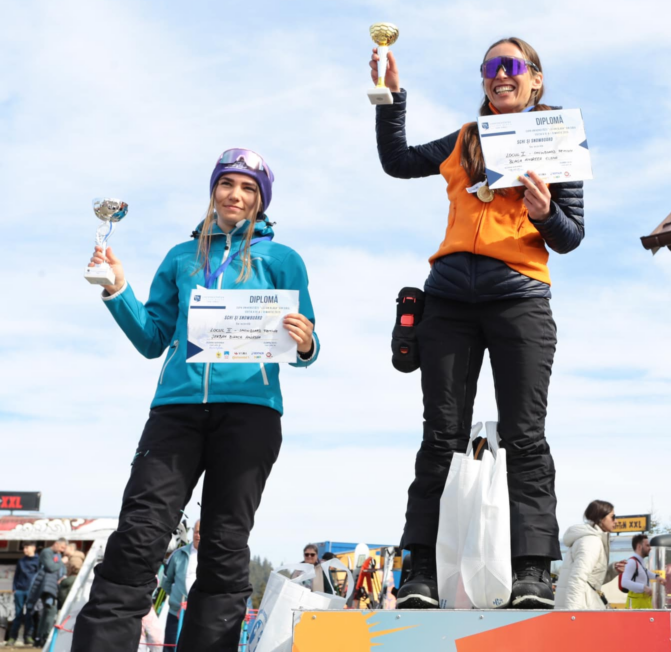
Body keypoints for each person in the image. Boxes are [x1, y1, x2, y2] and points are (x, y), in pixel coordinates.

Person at [72, 148, 321, 652]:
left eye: (249, 188)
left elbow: (305, 347)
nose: (236, 195)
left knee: (225, 547)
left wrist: (305, 342)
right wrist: (118, 291)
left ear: (261, 200)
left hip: (250, 414)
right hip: (176, 412)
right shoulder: (181, 258)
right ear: (213, 190)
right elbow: (152, 339)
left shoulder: (283, 260)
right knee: (139, 536)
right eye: (227, 183)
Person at [372, 36, 584, 611]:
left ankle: (532, 572)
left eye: (512, 64)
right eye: (490, 65)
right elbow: (398, 162)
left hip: (520, 300)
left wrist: (546, 213)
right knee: (440, 437)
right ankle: (420, 571)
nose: (500, 73)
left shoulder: (557, 139)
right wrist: (391, 100)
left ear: (536, 79)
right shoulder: (467, 137)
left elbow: (571, 236)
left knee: (525, 436)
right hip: (447, 302)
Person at [553, 500, 615, 610]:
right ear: (601, 518)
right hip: (582, 608)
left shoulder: (590, 539)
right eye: (613, 517)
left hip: (585, 606)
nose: (616, 521)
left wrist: (613, 570)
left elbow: (591, 581)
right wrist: (573, 614)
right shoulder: (591, 541)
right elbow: (578, 577)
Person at [161, 520, 200, 648]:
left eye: (201, 532)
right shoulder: (178, 554)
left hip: (200, 616)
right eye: (196, 532)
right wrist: (176, 597)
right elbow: (166, 582)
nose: (198, 535)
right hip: (176, 614)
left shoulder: (213, 558)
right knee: (171, 647)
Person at [27, 538, 67, 647]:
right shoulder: (46, 552)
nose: (62, 550)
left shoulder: (57, 554)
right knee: (50, 611)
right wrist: (61, 562)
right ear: (56, 544)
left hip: (53, 586)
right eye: (62, 547)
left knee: (46, 612)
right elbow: (51, 567)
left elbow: (61, 570)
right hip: (45, 587)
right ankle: (43, 637)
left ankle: (40, 637)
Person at [6, 543, 40, 647]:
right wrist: (14, 588)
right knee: (18, 614)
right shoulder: (21, 561)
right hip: (20, 590)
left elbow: (39, 576)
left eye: (27, 547)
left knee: (30, 615)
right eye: (24, 548)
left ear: (33, 548)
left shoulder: (38, 560)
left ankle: (28, 637)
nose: (25, 550)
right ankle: (12, 637)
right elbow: (16, 575)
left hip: (32, 591)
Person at [620, 534, 664, 609]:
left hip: (643, 603)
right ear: (639, 547)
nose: (650, 548)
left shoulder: (639, 562)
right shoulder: (632, 562)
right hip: (636, 605)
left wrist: (656, 577)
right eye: (647, 545)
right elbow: (624, 582)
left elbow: (645, 572)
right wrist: (643, 587)